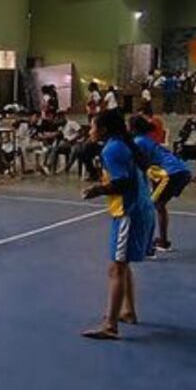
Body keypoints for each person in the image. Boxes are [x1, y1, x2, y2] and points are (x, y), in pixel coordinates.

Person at [81, 110, 155, 340]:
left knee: (116, 268)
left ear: (103, 129)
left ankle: (110, 325)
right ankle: (128, 311)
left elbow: (123, 183)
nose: (90, 130)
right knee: (122, 265)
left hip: (128, 212)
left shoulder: (112, 149)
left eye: (93, 126)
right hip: (135, 209)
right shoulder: (122, 145)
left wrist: (97, 190)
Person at [130, 115, 191, 253]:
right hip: (182, 171)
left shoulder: (138, 142)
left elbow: (139, 166)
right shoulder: (147, 139)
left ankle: (148, 245)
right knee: (159, 205)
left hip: (170, 173)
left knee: (150, 207)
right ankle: (163, 241)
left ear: (133, 128)